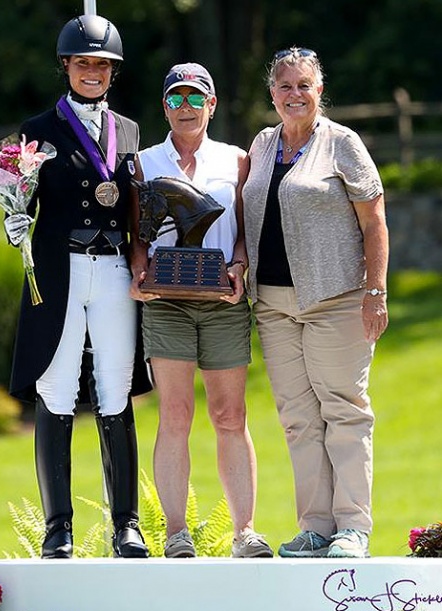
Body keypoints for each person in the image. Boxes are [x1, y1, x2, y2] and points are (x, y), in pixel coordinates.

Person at [5, 14, 151, 559]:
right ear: (66, 66)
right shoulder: (37, 129)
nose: (93, 72)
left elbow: (138, 202)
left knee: (115, 386)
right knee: (58, 384)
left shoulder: (130, 130)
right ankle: (57, 527)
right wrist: (12, 222)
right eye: (83, 62)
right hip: (60, 267)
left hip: (113, 268)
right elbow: (20, 197)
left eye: (102, 65)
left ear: (113, 72)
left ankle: (127, 525)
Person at [242, 47, 389, 558]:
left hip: (336, 298)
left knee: (344, 410)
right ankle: (315, 526)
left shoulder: (342, 143)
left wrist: (376, 290)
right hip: (274, 304)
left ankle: (352, 527)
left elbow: (374, 221)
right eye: (285, 86)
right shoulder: (262, 145)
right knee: (298, 418)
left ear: (319, 90)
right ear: (272, 94)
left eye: (304, 85)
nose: (294, 95)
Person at [130, 62, 273, 559]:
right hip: (166, 303)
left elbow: (245, 230)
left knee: (230, 414)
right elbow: (137, 234)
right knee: (175, 414)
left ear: (211, 105)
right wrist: (138, 273)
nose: (185, 107)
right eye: (175, 99)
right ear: (163, 106)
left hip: (222, 303)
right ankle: (176, 534)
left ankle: (245, 531)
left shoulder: (236, 161)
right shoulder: (145, 163)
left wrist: (239, 265)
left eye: (195, 98)